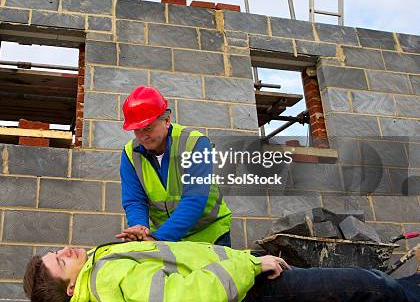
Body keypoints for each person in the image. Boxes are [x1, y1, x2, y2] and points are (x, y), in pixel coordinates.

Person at [23, 241, 420, 302]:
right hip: (249, 288)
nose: (65, 250)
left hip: (236, 278)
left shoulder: (100, 267)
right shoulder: (104, 278)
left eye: (55, 251)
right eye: (60, 261)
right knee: (364, 284)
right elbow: (185, 296)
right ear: (72, 288)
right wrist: (250, 263)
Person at [117, 86, 232, 246]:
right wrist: (139, 228)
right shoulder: (130, 154)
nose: (143, 136)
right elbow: (135, 200)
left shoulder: (195, 143)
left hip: (209, 233)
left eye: (148, 128)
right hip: (165, 237)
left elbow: (194, 200)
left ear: (167, 120)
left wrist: (158, 238)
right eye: (137, 130)